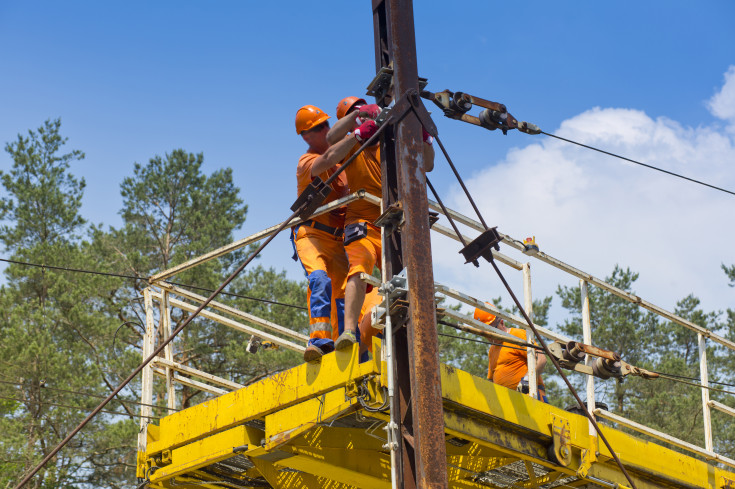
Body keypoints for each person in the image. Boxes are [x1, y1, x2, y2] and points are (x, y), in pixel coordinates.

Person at [327, 96, 435, 352]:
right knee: (359, 266)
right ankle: (349, 331)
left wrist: (424, 135)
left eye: (365, 111)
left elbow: (428, 164)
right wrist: (357, 126)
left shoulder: (390, 139)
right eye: (356, 112)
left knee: (406, 275)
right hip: (362, 219)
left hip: (393, 221)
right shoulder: (353, 143)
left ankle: (414, 333)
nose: (366, 116)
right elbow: (331, 143)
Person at [293, 105, 365, 362]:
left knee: (346, 292)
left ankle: (349, 342)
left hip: (336, 240)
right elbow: (327, 160)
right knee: (320, 280)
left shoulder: (344, 168)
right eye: (318, 128)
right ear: (305, 135)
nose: (325, 130)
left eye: (326, 125)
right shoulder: (307, 162)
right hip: (311, 235)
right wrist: (355, 134)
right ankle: (319, 341)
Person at [474, 306, 548, 402]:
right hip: (507, 402)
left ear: (501, 323)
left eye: (491, 330)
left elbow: (541, 360)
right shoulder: (492, 350)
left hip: (531, 395)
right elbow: (491, 379)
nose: (489, 336)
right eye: (485, 333)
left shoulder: (516, 335)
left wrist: (527, 379)